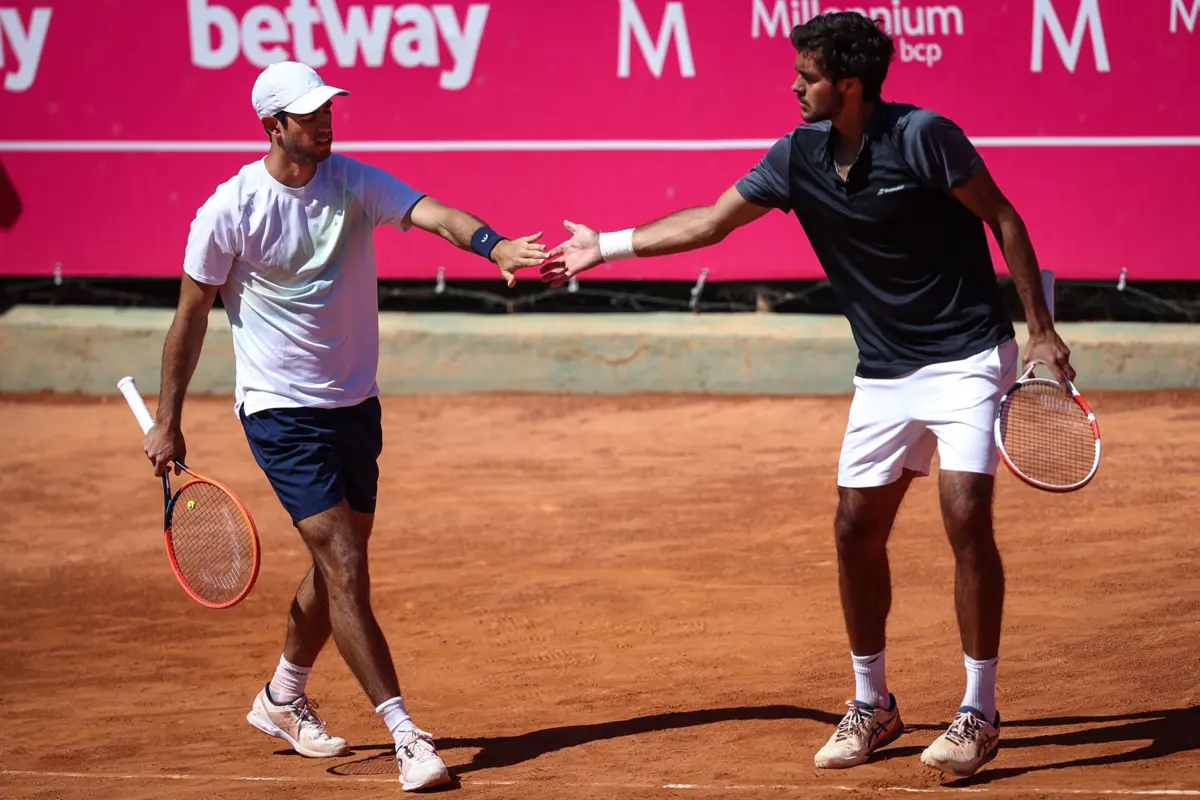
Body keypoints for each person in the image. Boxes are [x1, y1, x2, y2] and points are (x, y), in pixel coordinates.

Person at [537, 11, 1074, 779]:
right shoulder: (798, 157)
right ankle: (873, 703)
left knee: (965, 515)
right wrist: (606, 246)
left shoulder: (924, 136)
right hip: (885, 369)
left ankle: (979, 711)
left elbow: (1005, 220)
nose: (794, 86)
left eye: (808, 76)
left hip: (965, 356)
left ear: (848, 85)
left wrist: (1042, 330)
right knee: (855, 527)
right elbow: (712, 223)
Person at [140, 60, 549, 792]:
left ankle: (281, 696)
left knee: (339, 566)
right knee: (347, 565)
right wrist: (167, 421)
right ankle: (405, 733)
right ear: (274, 126)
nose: (325, 121)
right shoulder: (229, 209)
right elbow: (191, 315)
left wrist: (496, 247)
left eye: (328, 108)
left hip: (355, 404)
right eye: (309, 114)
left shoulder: (355, 181)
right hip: (279, 410)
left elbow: (436, 215)